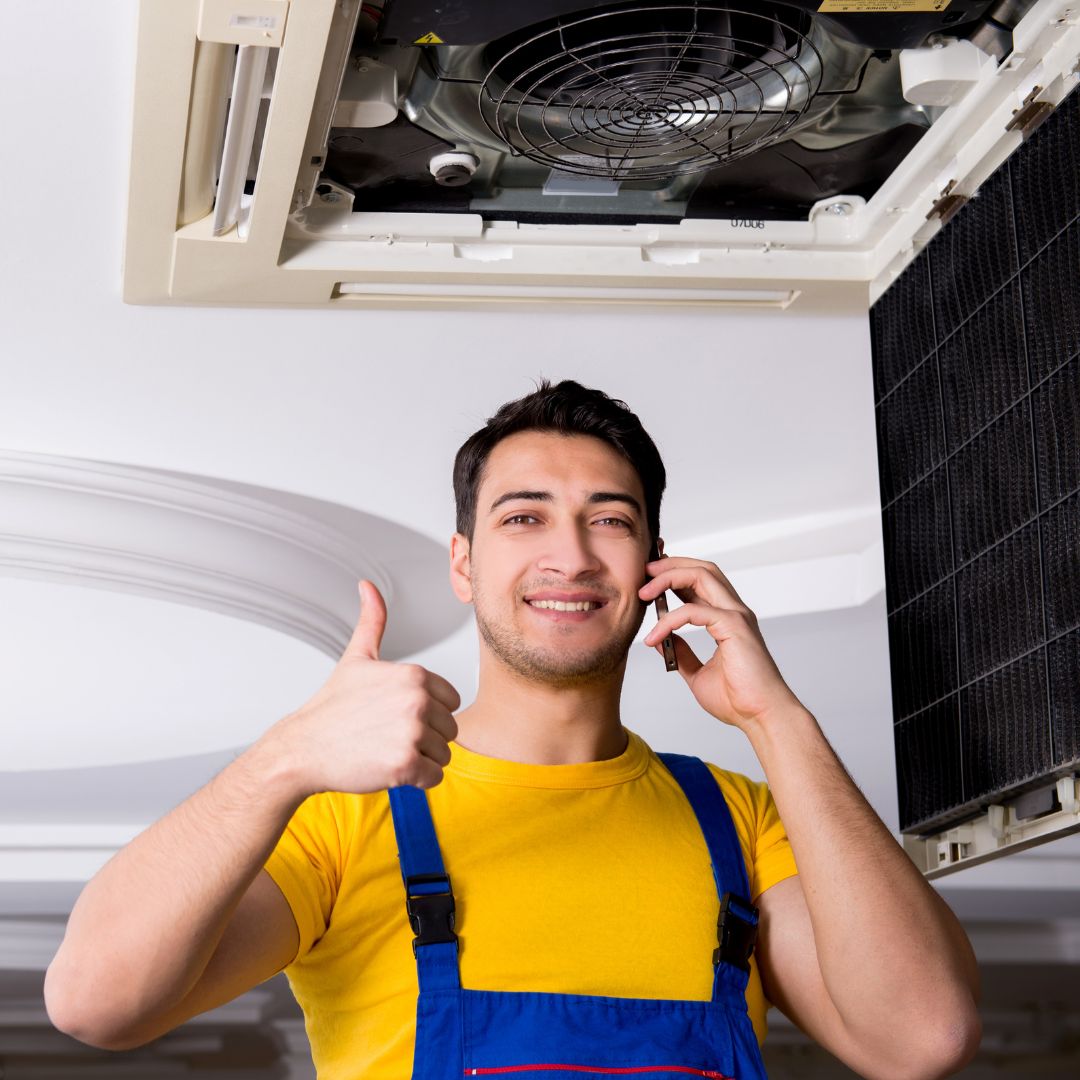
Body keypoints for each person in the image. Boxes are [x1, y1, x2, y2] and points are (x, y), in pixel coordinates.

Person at [45, 380, 981, 1078]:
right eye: (524, 517)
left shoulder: (738, 821)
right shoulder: (350, 818)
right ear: (463, 562)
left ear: (656, 564)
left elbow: (921, 1038)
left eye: (608, 521)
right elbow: (96, 1003)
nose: (568, 556)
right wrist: (285, 756)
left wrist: (777, 720)